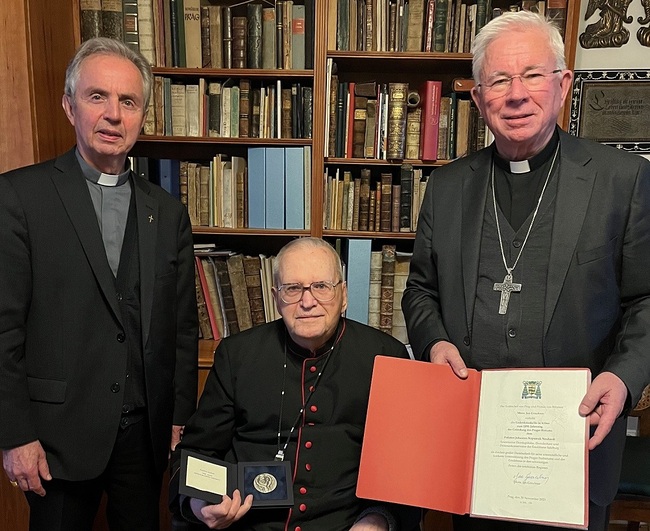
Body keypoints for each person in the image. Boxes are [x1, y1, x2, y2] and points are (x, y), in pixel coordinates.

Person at [402, 10, 650, 531]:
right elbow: (420, 291)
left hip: (576, 445)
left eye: (533, 75)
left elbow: (646, 300)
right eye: (498, 80)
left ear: (562, 84)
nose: (516, 94)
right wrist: (433, 344)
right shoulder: (447, 188)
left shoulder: (622, 181)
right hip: (470, 447)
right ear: (478, 98)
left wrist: (624, 379)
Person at [0, 37, 198, 530]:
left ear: (142, 116)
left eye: (128, 102)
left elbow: (181, 327)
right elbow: (3, 331)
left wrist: (178, 419)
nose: (113, 114)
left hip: (144, 439)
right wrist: (14, 436)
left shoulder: (167, 213)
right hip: (54, 441)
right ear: (70, 106)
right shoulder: (19, 197)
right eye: (97, 97)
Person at [170, 237, 421, 531]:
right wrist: (200, 505)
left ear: (344, 295)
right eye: (293, 288)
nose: (307, 301)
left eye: (321, 287)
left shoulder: (386, 356)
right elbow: (197, 454)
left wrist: (378, 520)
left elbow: (406, 472)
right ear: (276, 298)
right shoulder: (237, 355)